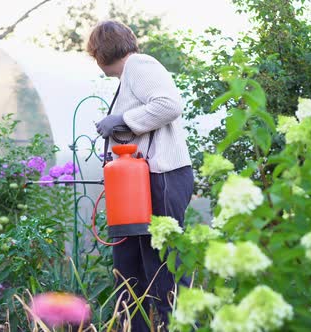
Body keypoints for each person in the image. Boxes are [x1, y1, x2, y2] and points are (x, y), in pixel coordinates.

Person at [86, 20, 194, 331]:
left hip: (163, 177)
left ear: (101, 52)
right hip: (140, 183)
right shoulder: (131, 74)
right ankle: (136, 326)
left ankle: (183, 326)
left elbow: (169, 105)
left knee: (163, 263)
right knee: (129, 263)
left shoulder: (140, 64)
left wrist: (122, 119)